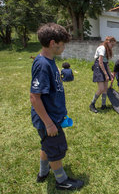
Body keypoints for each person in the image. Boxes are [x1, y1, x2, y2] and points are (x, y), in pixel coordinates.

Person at [30, 23, 84, 190]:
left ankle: (43, 173)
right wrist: (49, 123)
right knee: (56, 149)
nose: (64, 47)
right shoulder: (43, 65)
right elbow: (34, 97)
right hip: (49, 119)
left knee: (47, 146)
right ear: (53, 43)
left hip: (54, 116)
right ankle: (62, 181)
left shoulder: (50, 61)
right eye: (62, 43)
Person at [89, 36, 116, 113]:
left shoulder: (107, 50)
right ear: (108, 42)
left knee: (105, 89)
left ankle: (103, 105)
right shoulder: (102, 48)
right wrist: (106, 74)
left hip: (103, 66)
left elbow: (106, 63)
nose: (113, 46)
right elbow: (100, 62)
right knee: (101, 89)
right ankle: (92, 104)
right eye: (112, 45)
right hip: (98, 67)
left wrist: (109, 72)